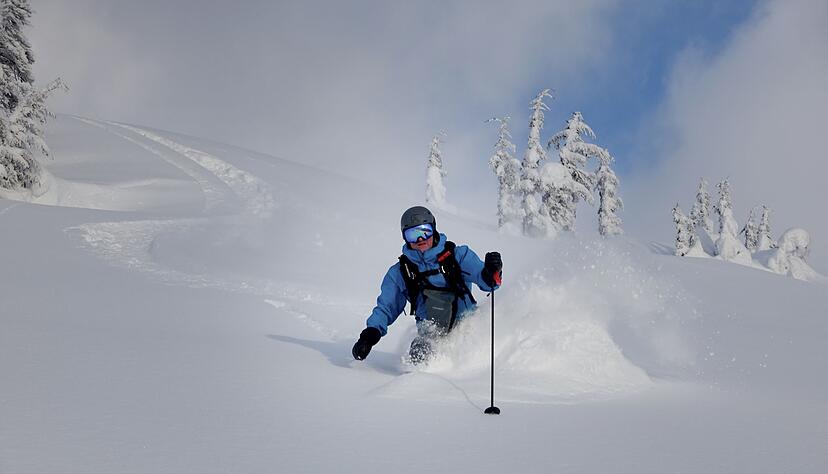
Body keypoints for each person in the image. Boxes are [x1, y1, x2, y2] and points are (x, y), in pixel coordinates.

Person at [352, 206, 502, 364]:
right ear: (405, 237)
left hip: (467, 328)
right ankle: (423, 385)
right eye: (412, 234)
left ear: (434, 229)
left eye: (425, 231)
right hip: (431, 336)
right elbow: (386, 307)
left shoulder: (458, 256)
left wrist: (491, 271)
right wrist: (370, 334)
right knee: (419, 354)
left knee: (475, 358)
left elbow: (489, 283)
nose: (420, 239)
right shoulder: (402, 272)